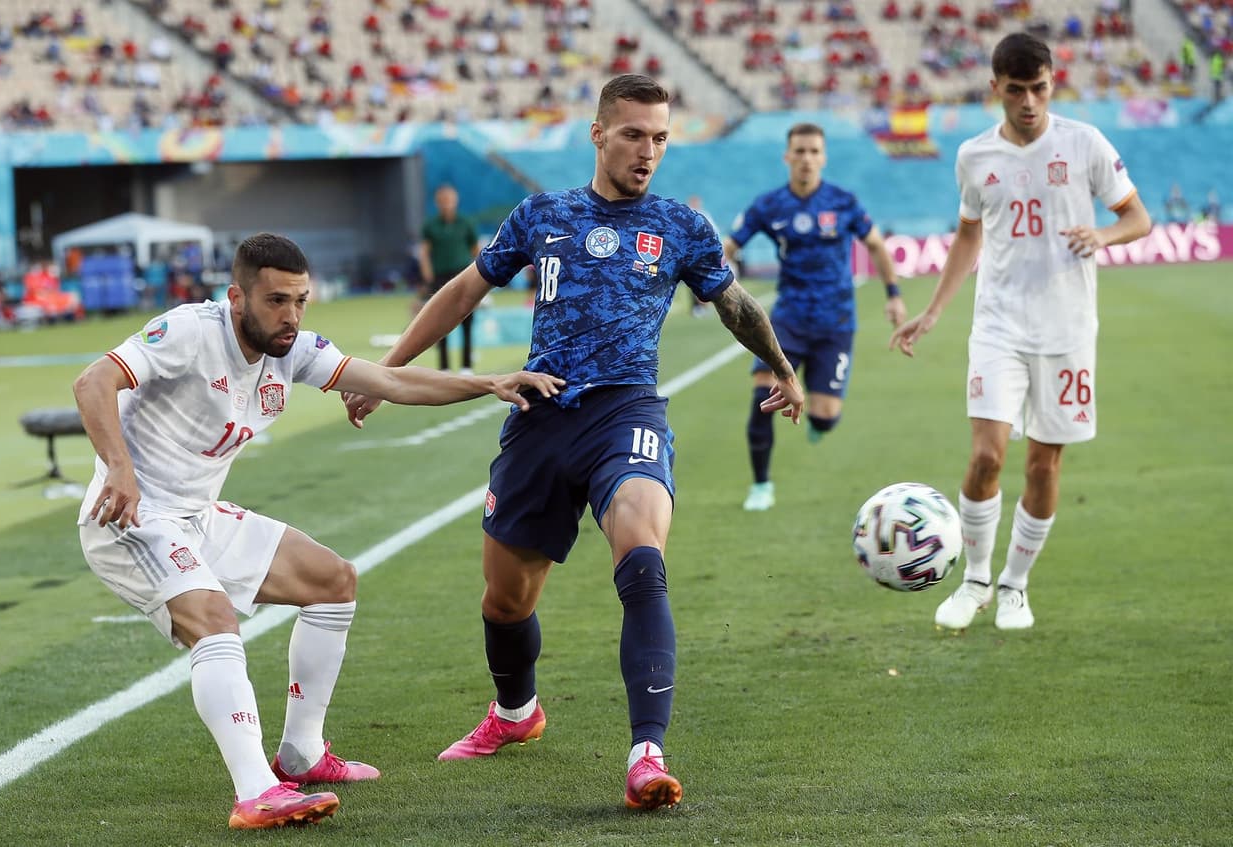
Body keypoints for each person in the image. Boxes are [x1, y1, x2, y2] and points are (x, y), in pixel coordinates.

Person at [343, 74, 804, 810]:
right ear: (597, 134)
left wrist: (781, 367)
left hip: (627, 414)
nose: (647, 151)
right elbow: (465, 290)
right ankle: (515, 713)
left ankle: (646, 754)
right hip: (538, 411)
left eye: (659, 137)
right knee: (505, 601)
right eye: (632, 135)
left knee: (643, 554)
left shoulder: (682, 227)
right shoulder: (542, 214)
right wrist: (386, 369)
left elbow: (735, 303)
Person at [73, 233, 563, 830]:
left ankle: (301, 755)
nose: (291, 316)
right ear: (236, 297)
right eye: (277, 300)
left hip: (196, 515)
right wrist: (119, 469)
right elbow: (93, 382)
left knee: (333, 581)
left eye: (301, 300)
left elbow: (391, 382)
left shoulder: (292, 349)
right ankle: (256, 791)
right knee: (214, 619)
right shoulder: (189, 331)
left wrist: (487, 383)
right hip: (132, 516)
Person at [889, 33, 1151, 631]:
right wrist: (932, 312)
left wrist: (1102, 237)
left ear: (1052, 83)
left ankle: (1015, 584)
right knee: (986, 455)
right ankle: (976, 580)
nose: (1029, 102)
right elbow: (968, 236)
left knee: (1042, 467)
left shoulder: (1084, 144)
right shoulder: (974, 157)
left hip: (1068, 330)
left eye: (1039, 88)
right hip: (999, 326)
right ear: (995, 90)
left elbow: (1138, 217)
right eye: (1016, 91)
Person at [723, 123, 906, 512]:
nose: (806, 159)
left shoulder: (843, 202)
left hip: (835, 322)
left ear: (823, 157)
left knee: (825, 417)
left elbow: (875, 245)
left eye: (813, 152)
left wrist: (893, 294)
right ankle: (761, 486)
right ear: (787, 156)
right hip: (786, 319)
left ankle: (818, 425)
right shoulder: (769, 205)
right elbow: (730, 245)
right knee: (762, 395)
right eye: (799, 151)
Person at [418, 184, 481, 372]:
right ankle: (444, 367)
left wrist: (481, 275)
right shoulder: (431, 225)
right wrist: (428, 276)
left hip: (463, 274)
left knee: (467, 320)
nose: (447, 204)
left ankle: (466, 366)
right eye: (443, 201)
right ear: (438, 203)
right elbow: (424, 252)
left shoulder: (465, 223)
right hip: (440, 277)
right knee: (440, 320)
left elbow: (476, 250)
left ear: (456, 201)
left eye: (450, 200)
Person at [686, 195, 718, 317]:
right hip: (690, 254)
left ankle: (704, 305)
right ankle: (696, 307)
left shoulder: (704, 215)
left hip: (702, 254)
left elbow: (713, 231)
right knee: (691, 281)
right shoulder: (685, 216)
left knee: (703, 280)